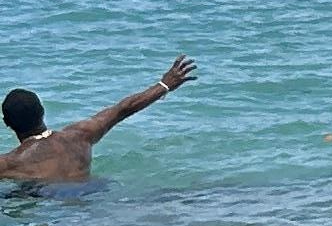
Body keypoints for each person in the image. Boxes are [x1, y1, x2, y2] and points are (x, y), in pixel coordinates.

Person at [1, 57, 197, 186]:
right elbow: (123, 108)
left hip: (55, 212)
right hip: (94, 196)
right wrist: (165, 85)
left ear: (7, 123)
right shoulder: (79, 136)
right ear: (42, 111)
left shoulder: (10, 163)